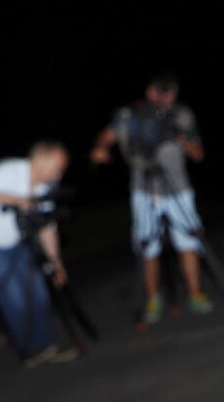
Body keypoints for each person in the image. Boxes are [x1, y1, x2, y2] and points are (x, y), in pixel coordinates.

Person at [90, 73, 210, 325]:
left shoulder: (181, 115)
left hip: (178, 189)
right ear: (150, 91)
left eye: (172, 91)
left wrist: (184, 140)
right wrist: (100, 148)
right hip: (143, 190)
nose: (167, 96)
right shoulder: (131, 116)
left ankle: (195, 293)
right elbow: (107, 136)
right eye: (162, 90)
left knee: (188, 241)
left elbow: (198, 154)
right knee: (147, 246)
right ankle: (154, 297)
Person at [0, 140, 76, 368]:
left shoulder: (45, 190)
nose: (59, 175)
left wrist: (56, 263)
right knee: (14, 296)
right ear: (41, 159)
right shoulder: (10, 169)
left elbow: (47, 229)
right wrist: (19, 200)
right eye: (57, 168)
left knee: (39, 289)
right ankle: (30, 350)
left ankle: (47, 346)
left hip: (12, 243)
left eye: (62, 170)